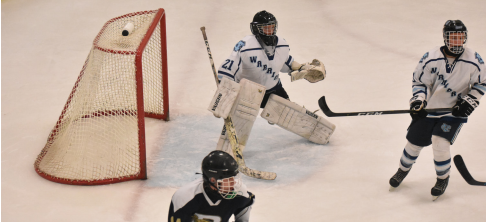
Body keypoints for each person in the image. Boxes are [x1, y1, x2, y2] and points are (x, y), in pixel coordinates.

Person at [209, 10, 335, 158]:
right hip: (248, 92)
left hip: (274, 88)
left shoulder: (282, 43)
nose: (270, 31)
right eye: (265, 28)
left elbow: (286, 62)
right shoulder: (245, 45)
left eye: (272, 27)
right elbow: (228, 68)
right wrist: (223, 96)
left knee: (292, 114)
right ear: (256, 29)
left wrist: (302, 68)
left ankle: (316, 131)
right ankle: (227, 154)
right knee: (239, 123)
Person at [389, 20, 486, 199]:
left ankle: (442, 178)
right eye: (453, 37)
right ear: (445, 38)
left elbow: (481, 84)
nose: (457, 42)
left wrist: (470, 101)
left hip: (453, 113)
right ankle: (402, 170)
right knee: (413, 144)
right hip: (430, 110)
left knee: (440, 142)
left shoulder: (474, 60)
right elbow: (420, 82)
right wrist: (418, 101)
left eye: (460, 37)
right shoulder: (430, 57)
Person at [168, 150, 255, 222]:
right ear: (212, 180)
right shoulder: (184, 198)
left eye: (233, 178)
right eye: (228, 179)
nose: (233, 183)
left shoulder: (240, 195)